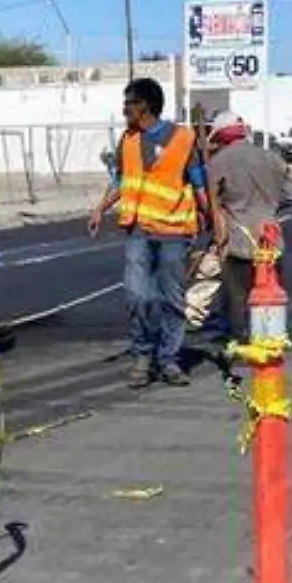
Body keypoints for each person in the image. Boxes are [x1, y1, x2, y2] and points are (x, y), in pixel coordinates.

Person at [89, 78, 222, 388]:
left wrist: (212, 217)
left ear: (144, 105)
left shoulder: (183, 138)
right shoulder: (128, 140)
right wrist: (99, 208)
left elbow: (199, 182)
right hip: (138, 229)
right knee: (138, 294)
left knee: (172, 299)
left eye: (128, 103)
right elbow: (122, 181)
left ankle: (169, 360)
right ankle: (143, 354)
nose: (124, 110)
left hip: (175, 231)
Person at [205, 110, 292, 347]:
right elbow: (291, 194)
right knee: (269, 290)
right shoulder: (271, 158)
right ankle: (269, 335)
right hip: (270, 237)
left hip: (238, 239)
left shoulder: (218, 163)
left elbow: (210, 201)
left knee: (238, 294)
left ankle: (242, 340)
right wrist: (269, 207)